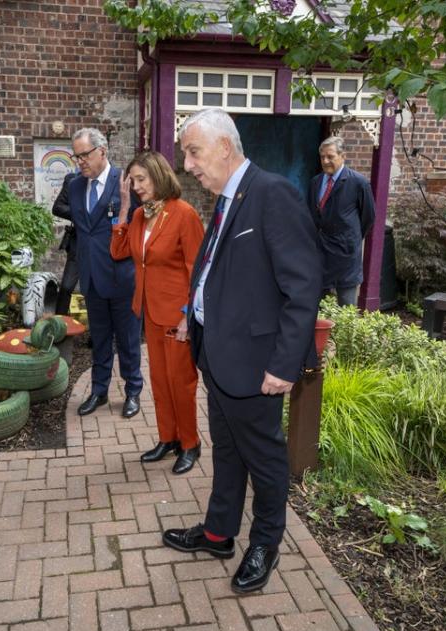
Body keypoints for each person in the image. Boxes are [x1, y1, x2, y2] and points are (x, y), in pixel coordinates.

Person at [161, 108, 322, 595]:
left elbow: (303, 285)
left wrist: (284, 363)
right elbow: (215, 268)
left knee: (265, 460)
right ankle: (218, 533)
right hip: (217, 355)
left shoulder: (272, 194)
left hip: (256, 365)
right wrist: (194, 312)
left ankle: (266, 543)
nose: (187, 164)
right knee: (228, 453)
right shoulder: (228, 197)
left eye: (193, 151)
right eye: (186, 153)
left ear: (225, 147)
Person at [111, 151, 205, 474]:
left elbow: (199, 270)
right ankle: (169, 438)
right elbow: (119, 250)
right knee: (160, 380)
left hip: (177, 315)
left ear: (159, 175)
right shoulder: (139, 216)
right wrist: (124, 208)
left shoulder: (184, 214)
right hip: (149, 311)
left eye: (141, 179)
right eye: (132, 181)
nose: (136, 186)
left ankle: (191, 444)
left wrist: (186, 315)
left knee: (181, 382)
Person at [68, 128, 143, 419]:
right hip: (91, 278)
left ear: (102, 151)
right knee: (98, 339)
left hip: (122, 277)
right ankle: (99, 391)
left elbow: (140, 226)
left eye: (84, 155)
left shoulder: (125, 181)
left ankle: (133, 391)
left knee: (127, 340)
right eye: (76, 157)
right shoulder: (74, 186)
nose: (80, 162)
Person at [307, 136, 375, 306]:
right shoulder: (315, 182)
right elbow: (311, 216)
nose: (325, 161)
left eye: (330, 156)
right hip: (320, 254)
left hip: (346, 255)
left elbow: (368, 217)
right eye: (322, 157)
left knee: (346, 307)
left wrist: (349, 239)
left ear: (343, 156)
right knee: (316, 307)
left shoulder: (358, 183)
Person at [51, 171, 80, 315]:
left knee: (98, 292)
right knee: (66, 287)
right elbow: (58, 208)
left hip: (102, 245)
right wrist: (83, 212)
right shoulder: (73, 179)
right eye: (79, 157)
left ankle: (98, 336)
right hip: (78, 242)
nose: (82, 161)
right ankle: (58, 326)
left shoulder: (111, 179)